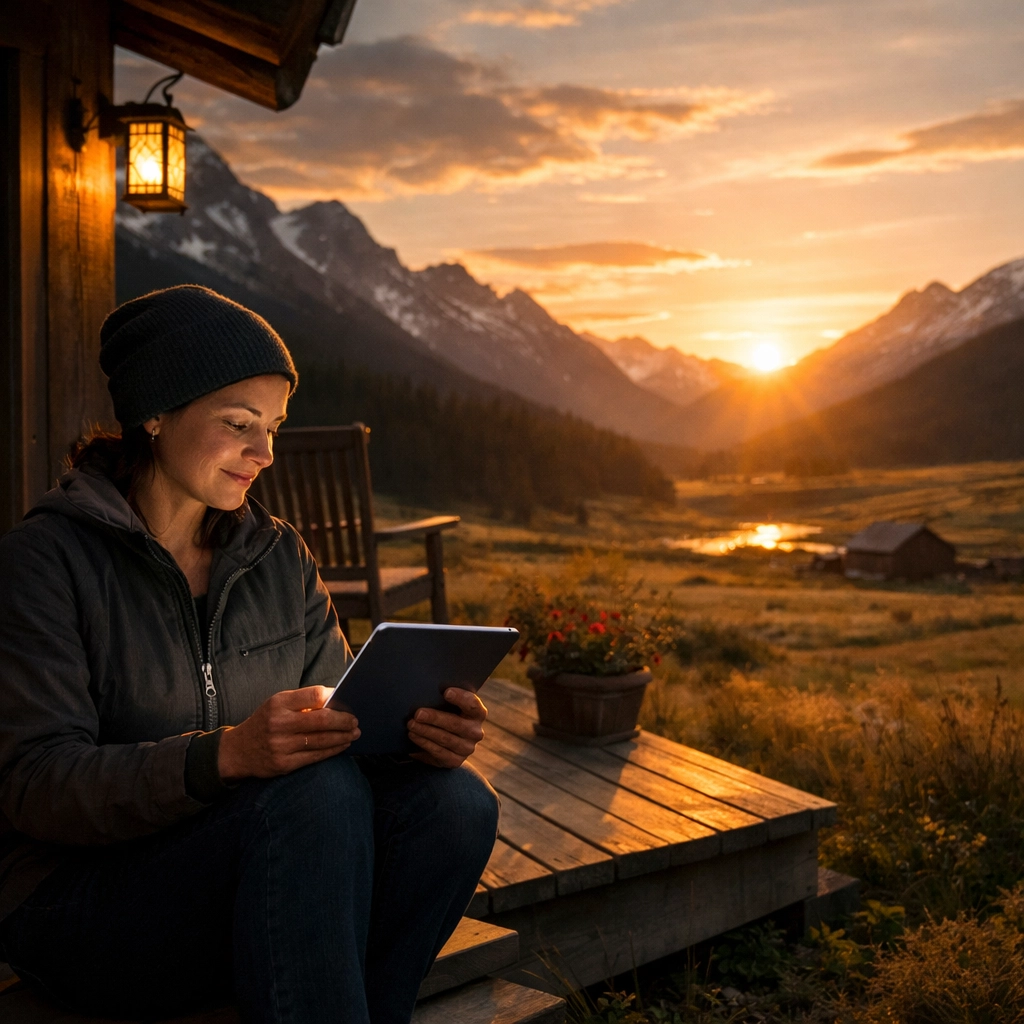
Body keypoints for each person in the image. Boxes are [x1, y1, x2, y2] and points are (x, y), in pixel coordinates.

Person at [0, 285, 499, 1024]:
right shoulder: (47, 561)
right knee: (313, 797)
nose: (264, 453)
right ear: (156, 413)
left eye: (273, 427)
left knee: (455, 805)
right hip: (83, 908)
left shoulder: (275, 555)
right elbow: (35, 783)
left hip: (252, 871)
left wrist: (415, 741)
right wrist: (225, 755)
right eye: (239, 424)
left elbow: (338, 718)